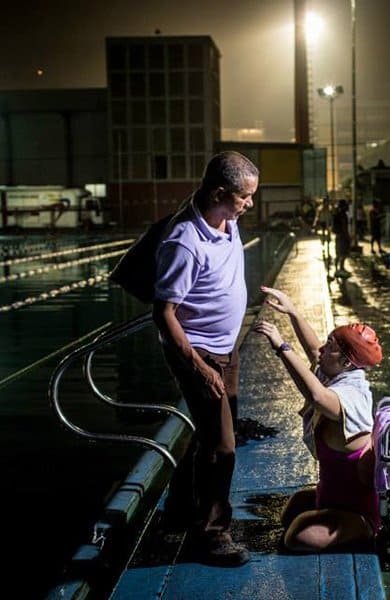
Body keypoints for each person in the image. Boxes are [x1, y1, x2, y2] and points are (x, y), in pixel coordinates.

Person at [152, 150, 258, 567]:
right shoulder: (184, 242)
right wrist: (199, 367)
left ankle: (178, 510)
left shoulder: (226, 221)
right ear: (218, 192)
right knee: (222, 447)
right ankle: (211, 534)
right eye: (244, 196)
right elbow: (163, 314)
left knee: (207, 434)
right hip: (198, 352)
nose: (249, 204)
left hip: (226, 347)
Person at [252, 286, 382, 552]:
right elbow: (314, 351)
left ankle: (365, 531)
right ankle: (323, 513)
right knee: (290, 514)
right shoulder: (339, 371)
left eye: (331, 346)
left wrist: (281, 346)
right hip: (332, 498)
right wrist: (292, 311)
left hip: (357, 514)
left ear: (346, 362)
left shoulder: (350, 394)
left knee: (296, 537)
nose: (322, 349)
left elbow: (317, 396)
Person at [332, 199, 351, 274]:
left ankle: (337, 268)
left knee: (338, 252)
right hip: (342, 236)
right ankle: (341, 268)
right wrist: (348, 236)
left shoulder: (337, 213)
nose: (347, 207)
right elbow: (344, 227)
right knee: (343, 253)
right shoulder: (343, 215)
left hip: (338, 235)